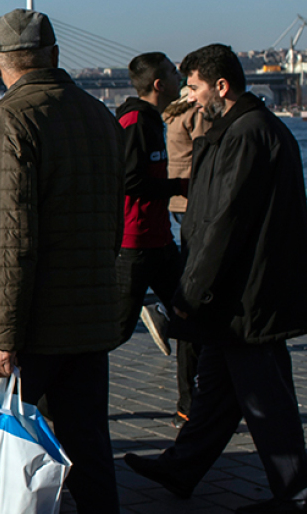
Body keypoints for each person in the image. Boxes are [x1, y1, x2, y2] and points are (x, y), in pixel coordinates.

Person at [0, 9, 124, 514]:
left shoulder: (11, 118)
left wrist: (2, 332)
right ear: (55, 53)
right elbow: (112, 224)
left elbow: (10, 235)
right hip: (88, 317)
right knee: (91, 455)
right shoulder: (100, 115)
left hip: (31, 322)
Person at [124, 44, 307, 514]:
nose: (187, 96)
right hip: (238, 294)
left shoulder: (246, 135)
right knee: (216, 390)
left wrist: (191, 293)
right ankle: (182, 467)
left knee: (265, 399)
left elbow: (223, 223)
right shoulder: (245, 129)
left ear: (221, 86)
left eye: (192, 87)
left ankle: (295, 495)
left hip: (244, 297)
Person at [114, 52, 196, 427]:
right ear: (159, 84)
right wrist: (179, 186)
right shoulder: (134, 121)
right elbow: (130, 180)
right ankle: (62, 403)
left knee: (190, 318)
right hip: (134, 243)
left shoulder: (151, 120)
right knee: (113, 330)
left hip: (160, 240)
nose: (181, 79)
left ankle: (189, 406)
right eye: (175, 74)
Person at [164, 87, 210, 214]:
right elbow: (207, 149)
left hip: (178, 194)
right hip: (194, 191)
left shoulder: (174, 114)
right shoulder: (196, 113)